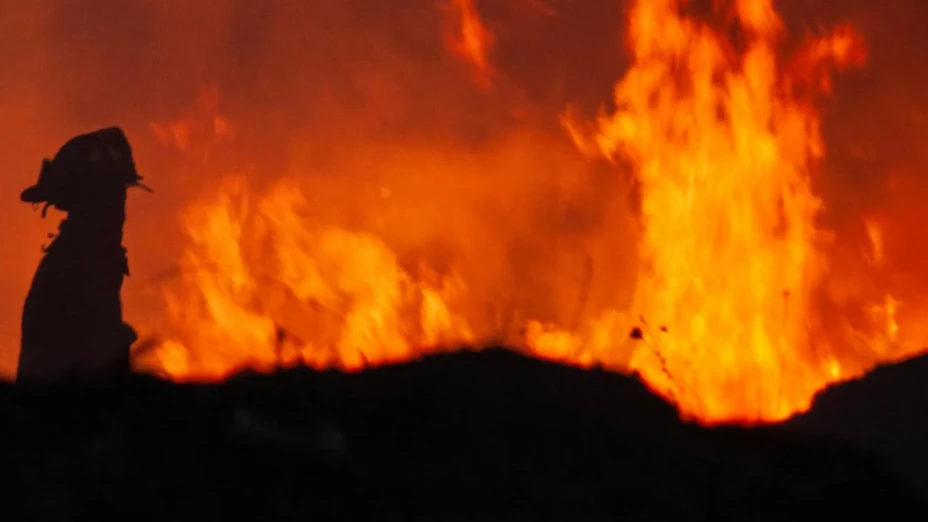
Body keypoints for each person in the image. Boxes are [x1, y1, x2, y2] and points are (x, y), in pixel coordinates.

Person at [17, 127, 151, 384]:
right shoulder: (76, 269)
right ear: (85, 201)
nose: (118, 209)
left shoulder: (91, 262)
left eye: (119, 195)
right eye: (108, 195)